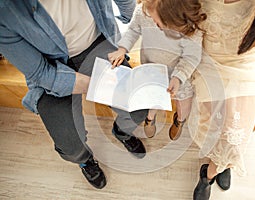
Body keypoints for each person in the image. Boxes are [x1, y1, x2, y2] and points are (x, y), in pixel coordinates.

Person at [0, 0, 149, 189]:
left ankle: (122, 132)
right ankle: (85, 160)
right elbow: (40, 73)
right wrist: (97, 85)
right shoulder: (4, 11)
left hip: (97, 43)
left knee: (139, 108)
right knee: (70, 146)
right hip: (50, 67)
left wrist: (132, 21)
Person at [148, 0, 255, 199]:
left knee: (235, 135)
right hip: (208, 59)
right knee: (214, 124)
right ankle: (213, 167)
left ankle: (212, 171)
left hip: (242, 61)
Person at [107, 0, 206, 140]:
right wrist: (122, 49)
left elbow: (191, 57)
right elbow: (133, 30)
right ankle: (150, 118)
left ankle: (180, 120)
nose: (154, 23)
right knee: (153, 98)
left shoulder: (191, 28)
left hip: (180, 72)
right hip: (151, 69)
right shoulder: (144, 11)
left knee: (184, 101)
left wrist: (178, 77)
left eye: (158, 23)